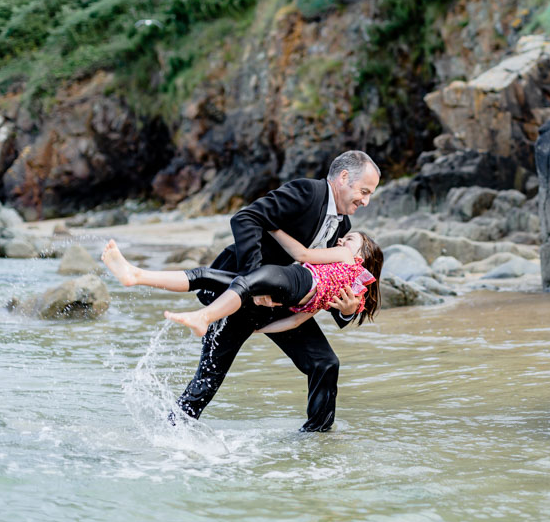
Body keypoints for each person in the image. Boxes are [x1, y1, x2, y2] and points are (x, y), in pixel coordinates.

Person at [144, 150, 378, 432]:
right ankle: (168, 434)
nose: (365, 201)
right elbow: (245, 219)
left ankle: (316, 442)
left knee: (325, 364)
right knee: (208, 380)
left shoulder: (344, 226)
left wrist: (347, 312)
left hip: (285, 302)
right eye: (364, 191)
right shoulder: (307, 192)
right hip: (241, 293)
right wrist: (252, 280)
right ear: (343, 178)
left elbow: (326, 282)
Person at [101, 229, 383, 337]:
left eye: (350, 240)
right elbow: (297, 321)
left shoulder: (347, 257)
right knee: (206, 276)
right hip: (290, 294)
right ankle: (135, 275)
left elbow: (303, 254)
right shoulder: (351, 288)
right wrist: (259, 331)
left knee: (226, 280)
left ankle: (202, 317)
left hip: (294, 278)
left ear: (362, 254)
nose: (342, 241)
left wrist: (273, 226)